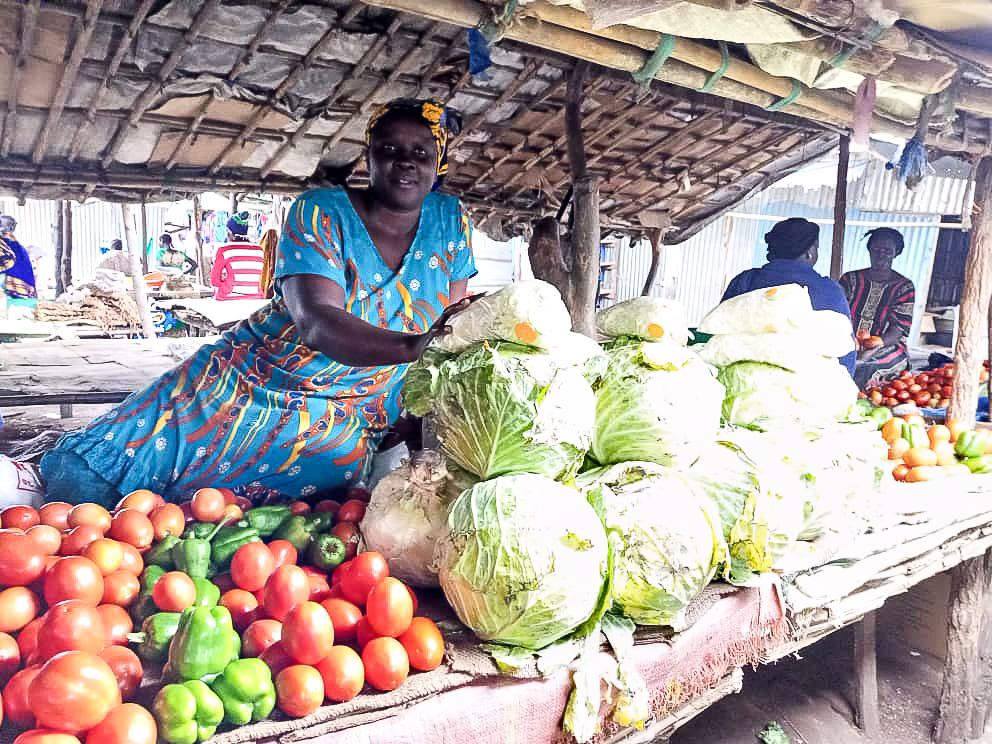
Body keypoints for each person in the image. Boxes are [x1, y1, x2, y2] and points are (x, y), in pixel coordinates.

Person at [40, 98, 477, 506]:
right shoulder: (320, 211)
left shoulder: (450, 220)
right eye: (390, 149)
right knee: (80, 478)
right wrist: (414, 346)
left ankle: (200, 521)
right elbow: (317, 320)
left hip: (357, 407)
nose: (405, 161)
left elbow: (454, 327)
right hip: (257, 370)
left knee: (331, 467)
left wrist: (415, 407)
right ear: (369, 157)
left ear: (437, 161)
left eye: (421, 152)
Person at [722, 217, 855, 373]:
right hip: (812, 385)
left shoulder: (745, 281)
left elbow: (718, 335)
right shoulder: (829, 290)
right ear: (809, 253)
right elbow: (845, 355)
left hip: (744, 381)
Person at [839, 227, 915, 389]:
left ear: (896, 253)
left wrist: (872, 348)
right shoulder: (850, 279)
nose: (881, 255)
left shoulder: (904, 287)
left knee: (869, 368)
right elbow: (837, 316)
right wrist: (850, 341)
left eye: (887, 251)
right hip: (846, 340)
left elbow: (898, 330)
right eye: (876, 249)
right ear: (869, 249)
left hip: (886, 345)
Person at [0, 215, 38, 303]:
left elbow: (7, 262)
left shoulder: (8, 244)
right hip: (21, 283)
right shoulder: (14, 243)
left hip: (15, 282)